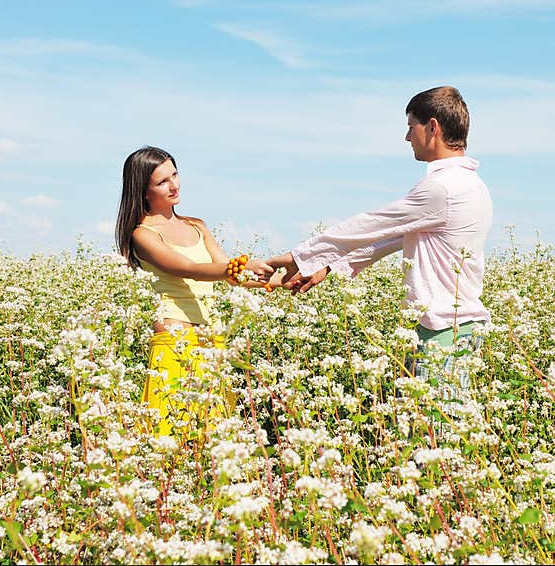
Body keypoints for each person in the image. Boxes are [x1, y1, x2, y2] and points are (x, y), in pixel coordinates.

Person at [267, 86, 492, 394]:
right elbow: (395, 237)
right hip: (450, 329)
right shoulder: (471, 184)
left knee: (434, 432)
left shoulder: (443, 188)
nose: (407, 137)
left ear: (433, 127)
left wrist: (302, 256)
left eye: (411, 126)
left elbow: (371, 224)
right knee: (428, 429)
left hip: (443, 332)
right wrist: (329, 266)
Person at [115, 145, 277, 437]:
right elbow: (186, 267)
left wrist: (273, 281)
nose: (173, 185)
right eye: (162, 181)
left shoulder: (197, 226)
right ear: (143, 189)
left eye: (174, 175)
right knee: (171, 433)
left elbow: (227, 271)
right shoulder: (142, 234)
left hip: (212, 338)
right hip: (174, 339)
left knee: (216, 433)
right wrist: (241, 267)